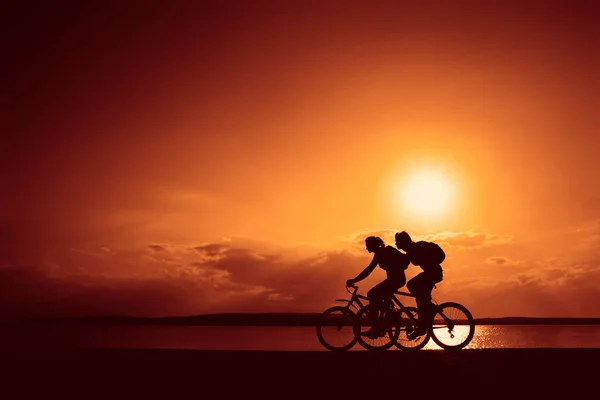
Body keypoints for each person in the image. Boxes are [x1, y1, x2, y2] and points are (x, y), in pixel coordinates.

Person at [346, 236, 409, 339]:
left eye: (367, 246)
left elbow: (405, 260)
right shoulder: (378, 254)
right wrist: (355, 279)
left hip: (396, 280)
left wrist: (354, 280)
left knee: (372, 294)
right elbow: (368, 270)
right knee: (380, 300)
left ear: (372, 245)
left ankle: (377, 327)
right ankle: (386, 320)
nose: (367, 248)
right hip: (394, 280)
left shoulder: (387, 250)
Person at [394, 230, 445, 339]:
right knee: (420, 299)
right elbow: (405, 262)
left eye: (398, 242)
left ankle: (424, 321)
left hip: (433, 273)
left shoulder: (415, 248)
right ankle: (426, 314)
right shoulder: (413, 249)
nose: (397, 245)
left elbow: (405, 263)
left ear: (404, 242)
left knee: (413, 286)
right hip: (432, 273)